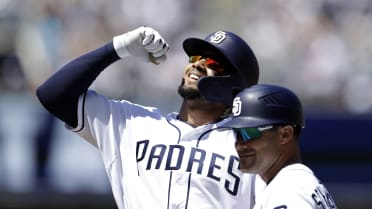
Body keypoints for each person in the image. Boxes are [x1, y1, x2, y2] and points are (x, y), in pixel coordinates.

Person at [36, 26, 260, 209]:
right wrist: (117, 48)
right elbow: (53, 95)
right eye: (196, 56)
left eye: (213, 64)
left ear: (235, 87)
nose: (197, 64)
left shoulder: (253, 148)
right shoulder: (133, 124)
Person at [221, 84, 338, 209]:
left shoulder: (288, 190)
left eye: (249, 132)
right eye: (236, 132)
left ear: (285, 134)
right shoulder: (296, 183)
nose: (239, 143)